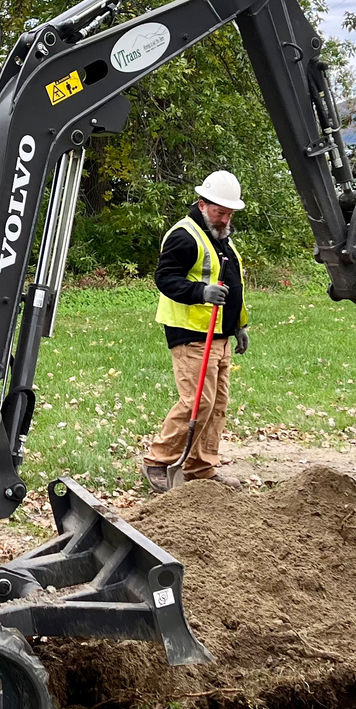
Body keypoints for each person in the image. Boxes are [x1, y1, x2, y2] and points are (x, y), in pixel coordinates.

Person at [141, 170, 249, 490]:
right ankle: (157, 461)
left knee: (216, 405)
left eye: (229, 213)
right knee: (197, 402)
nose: (225, 218)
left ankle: (202, 468)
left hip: (220, 334)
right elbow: (166, 278)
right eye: (220, 211)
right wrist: (200, 293)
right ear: (202, 204)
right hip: (190, 333)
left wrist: (239, 325)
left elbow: (234, 285)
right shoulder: (184, 235)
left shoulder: (221, 237)